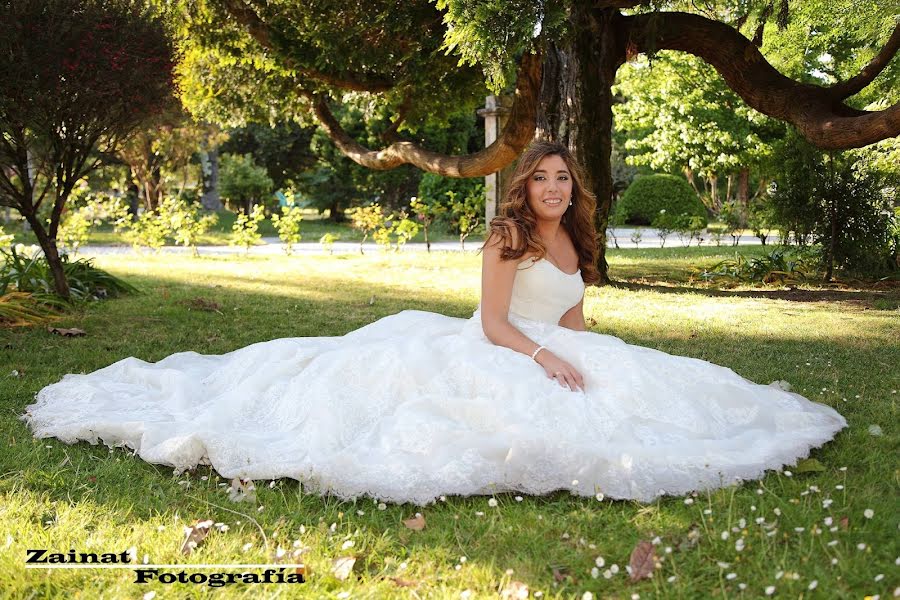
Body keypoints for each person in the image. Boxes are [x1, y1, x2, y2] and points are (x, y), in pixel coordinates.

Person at [23, 141, 847, 507]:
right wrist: (545, 361)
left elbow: (577, 314)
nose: (555, 189)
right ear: (524, 186)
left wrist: (590, 353)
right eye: (544, 179)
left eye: (565, 179)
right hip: (492, 348)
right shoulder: (507, 235)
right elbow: (493, 325)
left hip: (554, 342)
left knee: (637, 390)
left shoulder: (575, 237)